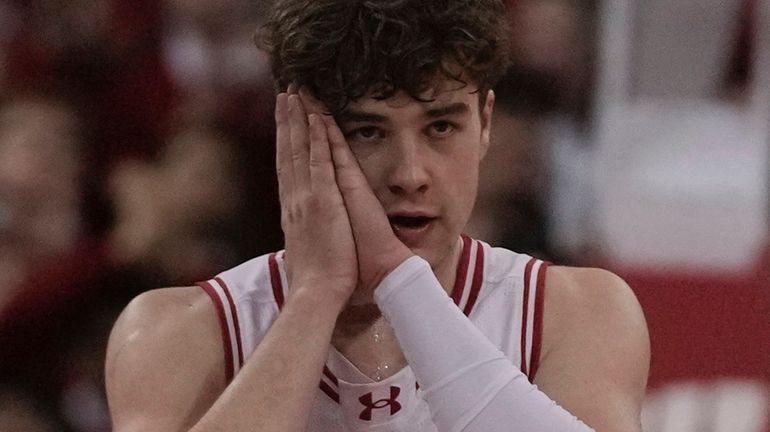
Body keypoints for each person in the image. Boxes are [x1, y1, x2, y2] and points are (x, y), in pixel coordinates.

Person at [105, 0, 650, 431]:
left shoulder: (576, 314)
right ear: (293, 133)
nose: (409, 174)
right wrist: (316, 292)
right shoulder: (174, 332)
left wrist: (397, 279)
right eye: (368, 131)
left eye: (441, 126)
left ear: (484, 123)